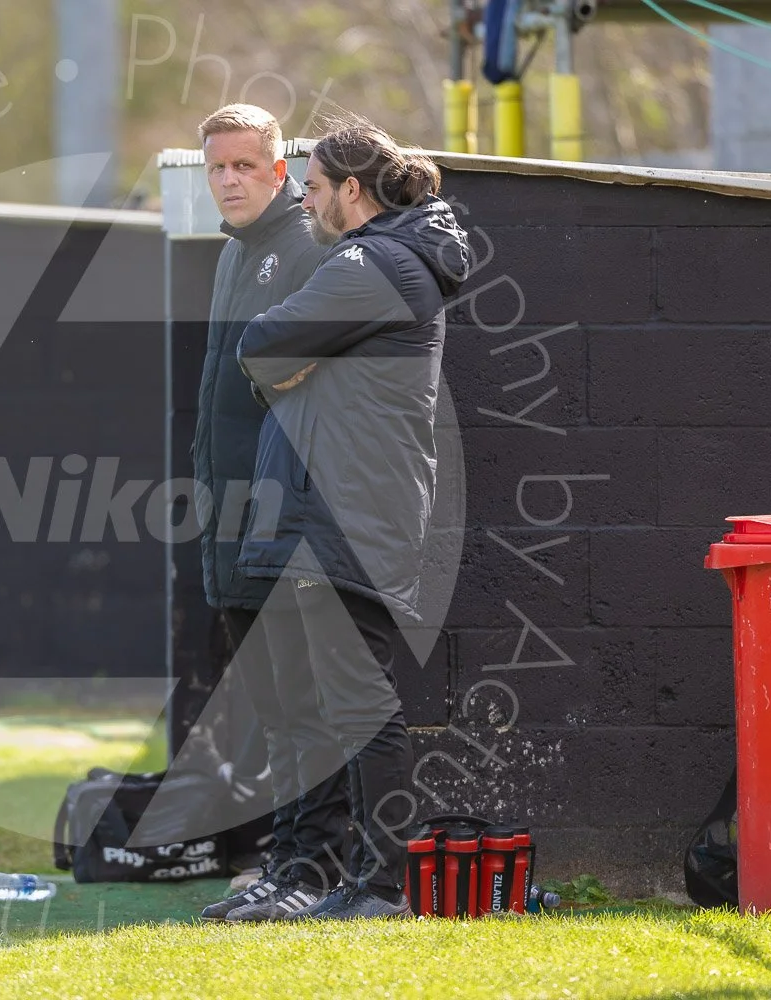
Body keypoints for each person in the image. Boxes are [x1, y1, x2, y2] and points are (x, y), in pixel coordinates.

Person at [231, 120, 470, 920]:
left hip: (346, 511)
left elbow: (260, 347)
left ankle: (377, 889)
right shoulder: (365, 262)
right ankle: (303, 875)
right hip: (316, 507)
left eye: (315, 184)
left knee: (358, 704)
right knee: (308, 707)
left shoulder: (374, 262)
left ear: (351, 192)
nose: (303, 195)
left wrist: (293, 366)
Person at [183, 104, 351, 924]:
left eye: (246, 166)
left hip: (287, 522)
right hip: (231, 518)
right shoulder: (232, 255)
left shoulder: (308, 247)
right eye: (217, 167)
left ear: (280, 170)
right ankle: (285, 863)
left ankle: (313, 872)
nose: (230, 180)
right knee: (274, 707)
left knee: (305, 704)